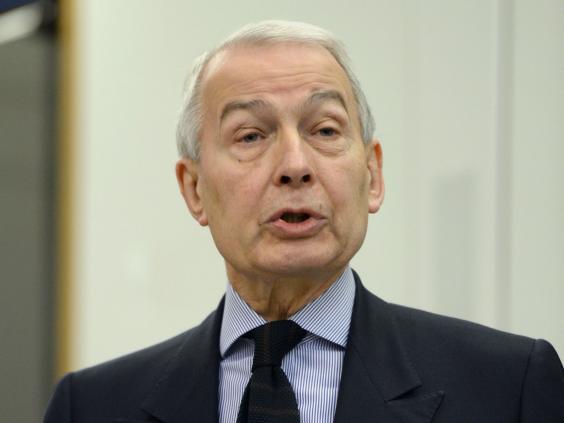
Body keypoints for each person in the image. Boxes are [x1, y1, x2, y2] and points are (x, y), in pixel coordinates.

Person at [44, 20, 564, 423]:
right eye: (251, 135)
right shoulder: (90, 407)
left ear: (373, 174)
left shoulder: (507, 387)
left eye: (325, 130)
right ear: (194, 189)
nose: (295, 165)